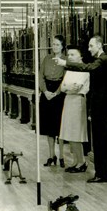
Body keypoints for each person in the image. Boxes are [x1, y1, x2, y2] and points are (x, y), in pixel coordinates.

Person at [55, 35, 107, 183]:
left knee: (100, 140)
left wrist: (65, 63)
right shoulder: (100, 60)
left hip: (101, 106)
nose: (89, 49)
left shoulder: (103, 59)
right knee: (100, 140)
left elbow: (88, 68)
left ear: (99, 45)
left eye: (91, 46)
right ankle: (104, 172)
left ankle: (102, 173)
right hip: (98, 105)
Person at [58, 45, 90, 174]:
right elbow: (63, 88)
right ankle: (76, 161)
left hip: (77, 101)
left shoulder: (84, 70)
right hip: (69, 100)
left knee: (76, 133)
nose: (69, 57)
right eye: (68, 55)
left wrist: (68, 87)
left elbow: (76, 88)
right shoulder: (70, 70)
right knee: (69, 133)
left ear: (80, 56)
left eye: (72, 55)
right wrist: (68, 87)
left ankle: (82, 162)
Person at [39, 35, 67, 167]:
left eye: (57, 44)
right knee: (48, 126)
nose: (54, 46)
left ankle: (61, 155)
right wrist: (45, 91)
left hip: (59, 94)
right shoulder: (46, 58)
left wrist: (56, 93)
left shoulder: (66, 60)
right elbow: (41, 76)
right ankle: (51, 155)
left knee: (59, 126)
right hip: (46, 93)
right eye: (53, 44)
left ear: (62, 46)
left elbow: (65, 79)